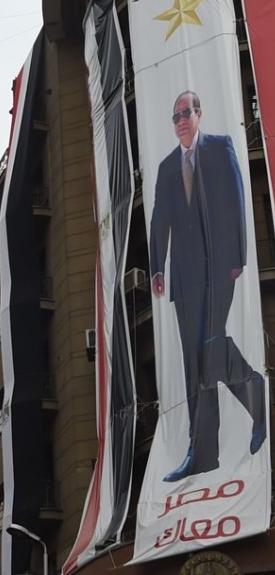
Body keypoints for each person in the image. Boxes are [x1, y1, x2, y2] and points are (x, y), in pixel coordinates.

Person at [150, 90, 266, 482]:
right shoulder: (168, 167)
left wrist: (238, 258)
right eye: (175, 115)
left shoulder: (220, 148)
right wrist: (155, 268)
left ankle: (257, 398)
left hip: (219, 270)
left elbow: (236, 200)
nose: (181, 120)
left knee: (211, 349)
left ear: (199, 114)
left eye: (187, 112)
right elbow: (158, 220)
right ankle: (203, 453)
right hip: (183, 281)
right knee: (193, 363)